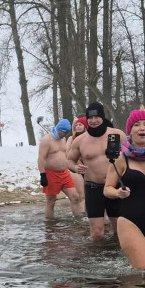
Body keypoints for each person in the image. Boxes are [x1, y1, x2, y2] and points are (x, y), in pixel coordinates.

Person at [104, 109, 145, 269]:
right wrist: (118, 193)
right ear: (130, 130)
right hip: (129, 221)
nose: (142, 128)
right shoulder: (121, 158)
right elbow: (107, 189)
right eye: (137, 125)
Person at [67, 102, 127, 241]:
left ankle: (118, 254)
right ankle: (97, 254)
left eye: (97, 117)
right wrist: (75, 168)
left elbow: (132, 155)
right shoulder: (80, 140)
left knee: (119, 231)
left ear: (103, 117)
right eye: (90, 118)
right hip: (93, 188)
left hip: (115, 187)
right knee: (96, 233)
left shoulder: (117, 134)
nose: (93, 121)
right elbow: (69, 160)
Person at [37, 118, 83, 218]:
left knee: (75, 197)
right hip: (51, 173)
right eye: (64, 132)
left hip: (64, 173)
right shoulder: (46, 140)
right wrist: (42, 175)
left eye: (67, 132)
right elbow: (41, 159)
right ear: (59, 129)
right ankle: (50, 224)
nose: (65, 134)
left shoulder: (63, 139)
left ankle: (78, 221)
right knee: (51, 201)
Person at [70, 116, 88, 203]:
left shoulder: (90, 137)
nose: (77, 127)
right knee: (82, 195)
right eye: (76, 125)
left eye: (80, 125)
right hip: (77, 169)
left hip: (89, 168)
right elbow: (68, 156)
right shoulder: (72, 138)